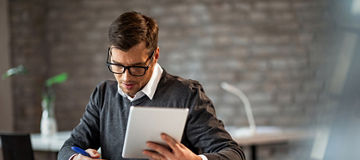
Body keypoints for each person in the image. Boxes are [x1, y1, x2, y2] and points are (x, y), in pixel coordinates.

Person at [58, 11, 246, 160]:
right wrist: (78, 158)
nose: (125, 77)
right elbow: (67, 148)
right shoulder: (103, 95)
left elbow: (233, 153)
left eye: (136, 67)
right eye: (117, 66)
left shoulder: (187, 95)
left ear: (155, 56)